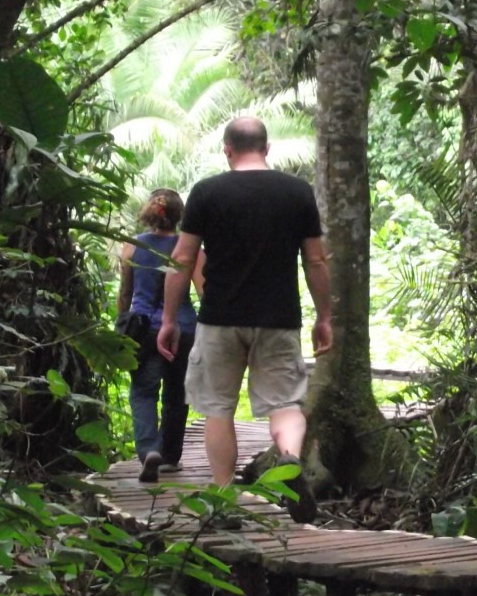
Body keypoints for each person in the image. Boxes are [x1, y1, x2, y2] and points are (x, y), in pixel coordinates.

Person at [156, 116, 332, 523]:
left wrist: (168, 318)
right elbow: (316, 259)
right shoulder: (297, 192)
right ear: (267, 148)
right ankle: (289, 459)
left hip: (220, 317)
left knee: (218, 408)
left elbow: (181, 259)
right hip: (279, 317)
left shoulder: (207, 192)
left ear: (227, 150)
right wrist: (325, 316)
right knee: (285, 404)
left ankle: (222, 500)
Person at [117, 188, 197, 483]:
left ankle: (149, 449)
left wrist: (121, 325)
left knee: (143, 390)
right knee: (177, 393)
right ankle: (170, 456)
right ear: (180, 216)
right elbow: (203, 289)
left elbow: (125, 292)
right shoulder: (189, 248)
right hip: (183, 327)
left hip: (142, 328)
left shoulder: (132, 246)